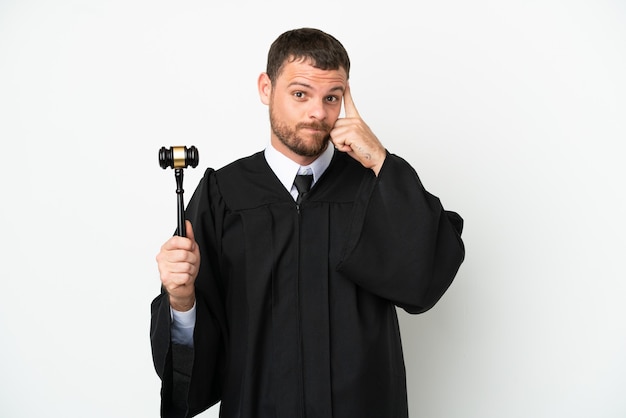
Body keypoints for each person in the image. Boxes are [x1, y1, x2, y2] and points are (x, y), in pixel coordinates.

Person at [151, 27, 465, 418]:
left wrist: (383, 162)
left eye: (332, 97)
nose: (318, 112)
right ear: (266, 88)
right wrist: (181, 301)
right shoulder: (224, 194)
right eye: (300, 94)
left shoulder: (372, 187)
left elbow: (426, 275)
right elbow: (196, 355)